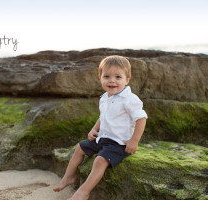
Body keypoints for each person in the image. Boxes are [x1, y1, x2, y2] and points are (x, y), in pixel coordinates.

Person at [53, 55, 148, 200]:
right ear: (100, 78)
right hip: (103, 138)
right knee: (80, 148)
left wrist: (134, 141)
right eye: (107, 76)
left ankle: (83, 192)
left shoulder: (130, 99)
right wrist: (94, 129)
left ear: (127, 79)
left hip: (120, 143)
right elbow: (103, 117)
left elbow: (141, 118)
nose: (112, 80)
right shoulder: (105, 97)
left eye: (118, 77)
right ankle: (68, 177)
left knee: (100, 160)